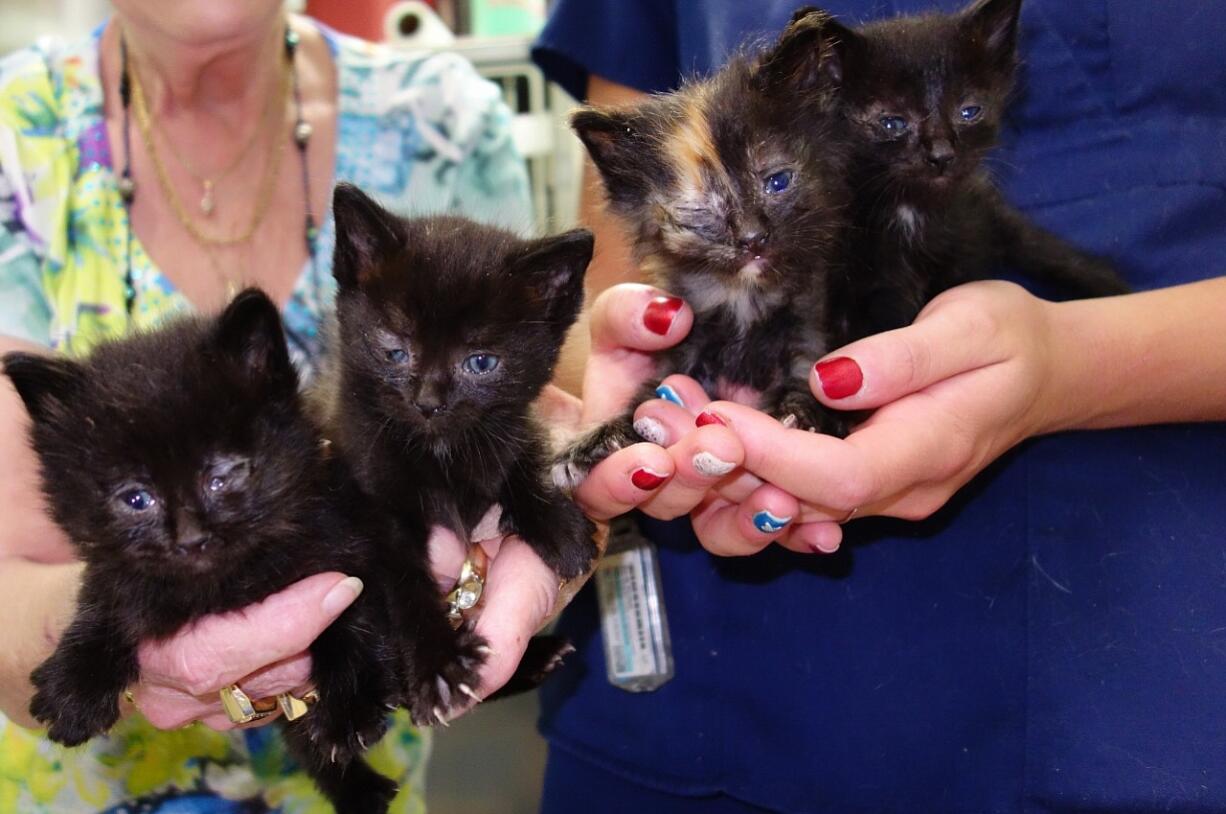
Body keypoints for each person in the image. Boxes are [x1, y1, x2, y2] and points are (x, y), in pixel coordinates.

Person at [531, 1, 1226, 811]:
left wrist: (1074, 361)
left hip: (1143, 608)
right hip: (712, 641)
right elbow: (617, 266)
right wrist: (587, 407)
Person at [0, 1, 588, 809]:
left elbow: (550, 404)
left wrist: (570, 493)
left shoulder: (443, 116)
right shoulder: (14, 140)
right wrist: (105, 639)